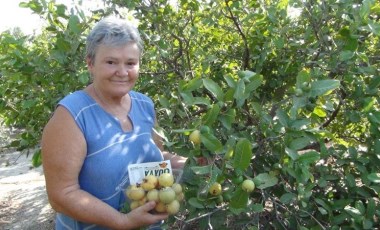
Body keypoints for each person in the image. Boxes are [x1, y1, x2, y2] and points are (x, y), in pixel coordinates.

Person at [41, 16, 187, 229]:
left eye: (130, 63)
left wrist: (188, 164)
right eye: (111, 62)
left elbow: (154, 158)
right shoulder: (72, 116)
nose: (122, 72)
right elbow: (61, 195)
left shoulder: (144, 105)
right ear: (90, 63)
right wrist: (122, 221)